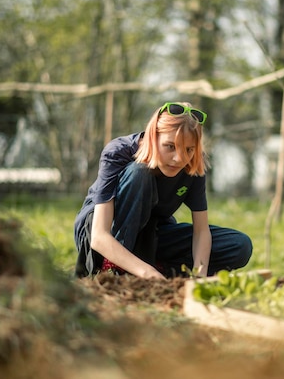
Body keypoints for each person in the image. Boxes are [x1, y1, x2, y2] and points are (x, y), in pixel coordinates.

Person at [73, 101, 253, 280]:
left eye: (189, 149)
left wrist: (199, 277)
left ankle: (155, 266)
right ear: (153, 137)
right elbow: (99, 236)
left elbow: (201, 232)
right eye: (170, 146)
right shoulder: (118, 152)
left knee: (239, 245)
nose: (179, 158)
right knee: (139, 172)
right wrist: (146, 273)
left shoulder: (193, 164)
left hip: (154, 234)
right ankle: (117, 269)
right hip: (105, 234)